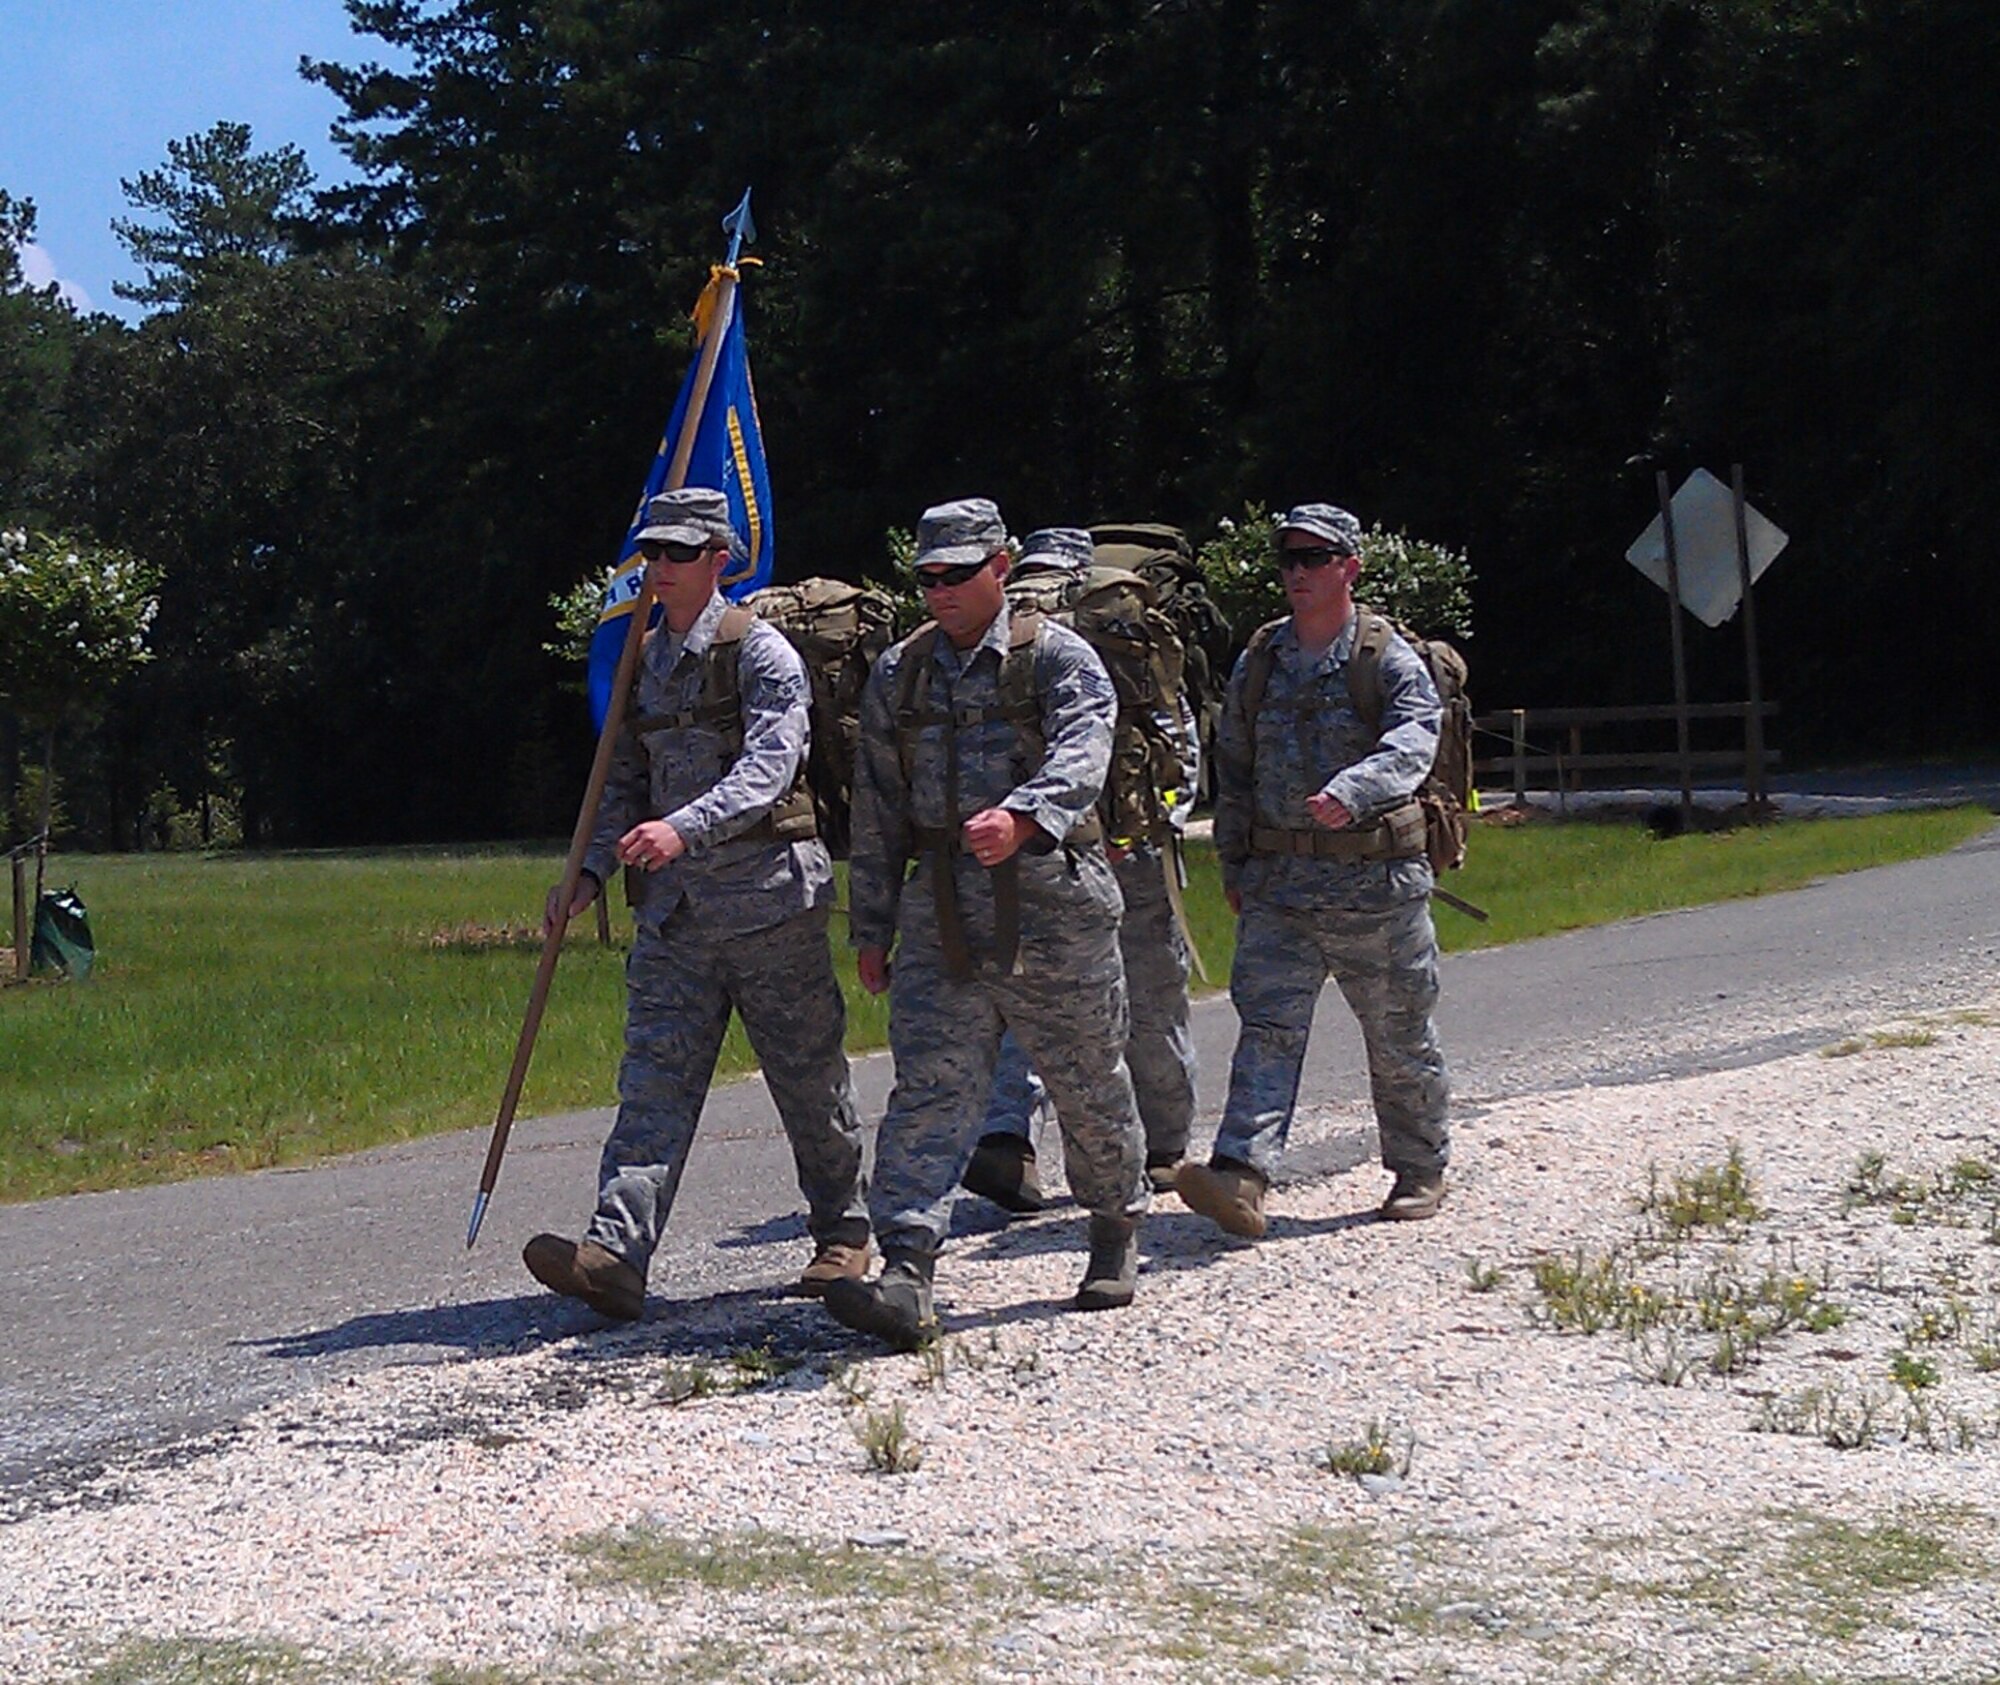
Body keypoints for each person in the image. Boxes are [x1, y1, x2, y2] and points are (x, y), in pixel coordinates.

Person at [527, 486, 870, 1320]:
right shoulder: (642, 662)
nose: (661, 568)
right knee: (652, 1082)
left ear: (721, 558)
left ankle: (845, 1233)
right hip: (676, 920)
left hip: (768, 907)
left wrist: (682, 828)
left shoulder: (762, 656)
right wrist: (589, 873)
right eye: (652, 553)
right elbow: (624, 785)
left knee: (808, 1080)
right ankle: (617, 1251)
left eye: (680, 553)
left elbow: (769, 770)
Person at [825, 498, 1148, 1349]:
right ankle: (907, 1268)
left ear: (1001, 566)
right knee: (930, 1086)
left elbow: (1087, 749)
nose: (939, 591)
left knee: (1086, 1079)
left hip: (1052, 906)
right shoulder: (902, 672)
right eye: (926, 577)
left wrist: (1025, 815)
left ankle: (1114, 1222)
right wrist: (872, 924)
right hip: (942, 916)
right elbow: (879, 805)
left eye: (956, 575)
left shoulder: (1058, 659)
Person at [1177, 502, 1451, 1239]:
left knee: (1397, 1033)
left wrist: (1353, 789)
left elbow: (1415, 742)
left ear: (1348, 568)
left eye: (1313, 558)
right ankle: (1241, 1173)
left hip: (1375, 889)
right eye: (1287, 559)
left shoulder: (1384, 657)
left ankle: (1419, 1165)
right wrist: (1233, 859)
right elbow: (1232, 764)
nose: (1297, 572)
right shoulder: (1261, 659)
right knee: (1266, 1028)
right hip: (1280, 889)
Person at [960, 527, 1200, 1213]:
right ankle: (1163, 1149)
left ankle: (1010, 1141)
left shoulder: (1001, 639)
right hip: (1124, 848)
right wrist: (1156, 824)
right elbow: (1175, 740)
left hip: (1026, 849)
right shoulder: (1126, 633)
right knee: (1151, 1001)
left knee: (1024, 998)